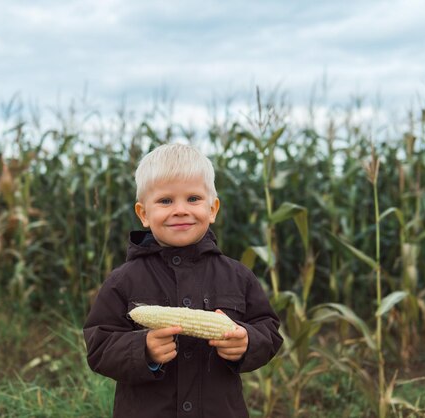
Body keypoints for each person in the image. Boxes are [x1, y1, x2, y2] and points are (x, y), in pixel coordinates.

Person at [83, 143, 283, 418]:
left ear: (212, 209)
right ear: (143, 214)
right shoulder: (123, 280)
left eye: (193, 199)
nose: (180, 210)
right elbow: (99, 346)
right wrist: (143, 350)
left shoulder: (238, 276)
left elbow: (269, 330)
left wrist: (248, 343)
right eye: (165, 201)